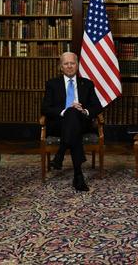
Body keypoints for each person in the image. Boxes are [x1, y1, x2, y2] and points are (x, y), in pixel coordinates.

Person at [41, 52, 102, 192]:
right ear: (61, 67)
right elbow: (45, 108)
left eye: (72, 63)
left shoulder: (87, 84)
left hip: (82, 123)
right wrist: (65, 111)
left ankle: (60, 153)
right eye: (66, 63)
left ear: (77, 65)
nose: (69, 66)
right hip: (59, 124)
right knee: (71, 114)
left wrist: (84, 111)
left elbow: (96, 106)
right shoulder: (52, 84)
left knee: (74, 114)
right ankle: (78, 176)